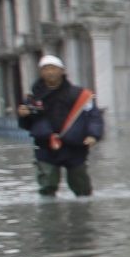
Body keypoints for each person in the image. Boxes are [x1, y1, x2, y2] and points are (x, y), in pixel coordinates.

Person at [16, 54, 102, 198]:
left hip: (75, 146)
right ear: (41, 72)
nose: (50, 72)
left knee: (81, 187)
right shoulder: (32, 98)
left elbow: (93, 116)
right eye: (46, 69)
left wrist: (94, 135)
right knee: (47, 185)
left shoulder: (79, 94)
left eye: (53, 68)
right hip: (45, 147)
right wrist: (23, 116)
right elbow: (27, 125)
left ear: (62, 71)